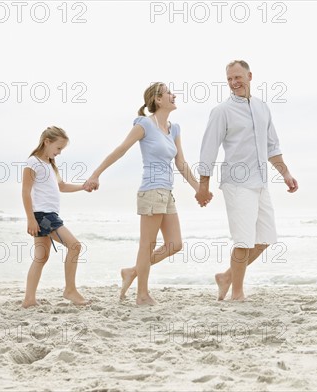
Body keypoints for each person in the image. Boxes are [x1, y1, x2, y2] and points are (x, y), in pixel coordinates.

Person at [84, 83, 211, 305]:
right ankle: (142, 294)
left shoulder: (175, 128)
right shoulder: (144, 124)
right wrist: (96, 174)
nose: (174, 95)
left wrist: (199, 189)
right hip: (151, 190)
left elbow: (181, 163)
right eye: (168, 92)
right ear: (158, 100)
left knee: (175, 244)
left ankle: (132, 271)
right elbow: (121, 150)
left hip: (167, 192)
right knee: (147, 244)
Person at [196, 60, 298, 301]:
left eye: (238, 77)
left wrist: (285, 173)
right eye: (230, 79)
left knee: (265, 239)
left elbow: (272, 146)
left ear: (250, 76)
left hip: (261, 181)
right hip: (237, 182)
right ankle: (237, 293)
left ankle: (226, 276)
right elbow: (208, 149)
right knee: (243, 241)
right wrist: (203, 185)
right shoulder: (222, 111)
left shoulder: (263, 108)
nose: (234, 83)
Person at [22, 126, 89, 308]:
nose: (59, 153)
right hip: (43, 215)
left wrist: (83, 186)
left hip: (46, 215)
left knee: (41, 257)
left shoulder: (50, 165)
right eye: (58, 148)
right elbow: (26, 192)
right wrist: (31, 219)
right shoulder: (33, 162)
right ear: (47, 142)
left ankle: (29, 300)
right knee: (75, 246)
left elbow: (62, 186)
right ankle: (70, 290)